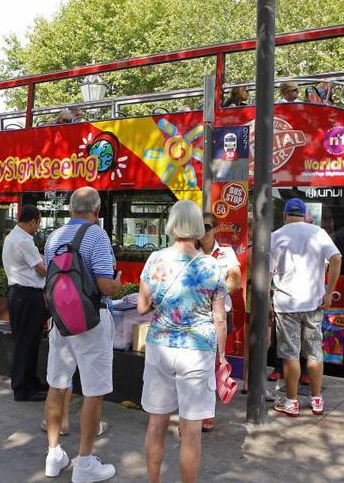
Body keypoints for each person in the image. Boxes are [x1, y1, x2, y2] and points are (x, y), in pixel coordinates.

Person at [137, 200, 227, 483]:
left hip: (160, 348)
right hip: (198, 351)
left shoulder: (155, 260)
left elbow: (141, 307)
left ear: (172, 225)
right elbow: (220, 318)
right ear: (199, 228)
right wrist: (222, 357)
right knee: (191, 430)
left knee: (156, 424)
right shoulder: (212, 265)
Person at [43, 186, 121, 482]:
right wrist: (117, 282)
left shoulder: (53, 237)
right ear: (97, 211)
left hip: (61, 322)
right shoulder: (97, 235)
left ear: (71, 209)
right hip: (91, 321)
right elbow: (104, 285)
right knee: (93, 391)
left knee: (57, 384)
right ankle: (85, 462)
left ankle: (54, 455)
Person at [270, 198, 341, 417]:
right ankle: (317, 400)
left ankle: (292, 402)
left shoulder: (276, 236)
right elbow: (336, 258)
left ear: (284, 216)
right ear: (304, 215)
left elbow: (268, 272)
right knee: (314, 352)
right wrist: (329, 292)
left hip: (286, 305)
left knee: (291, 354)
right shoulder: (318, 232)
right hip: (314, 304)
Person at [196, 213, 240, 433]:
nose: (202, 231)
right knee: (196, 364)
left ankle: (206, 414)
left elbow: (235, 279)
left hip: (219, 315)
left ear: (214, 229)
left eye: (206, 227)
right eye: (199, 226)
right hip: (195, 316)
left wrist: (214, 296)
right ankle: (194, 411)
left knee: (214, 363)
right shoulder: (189, 252)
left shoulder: (226, 253)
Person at [3, 205, 49, 402]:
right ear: (32, 221)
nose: (37, 227)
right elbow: (42, 270)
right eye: (38, 223)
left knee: (29, 342)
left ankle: (31, 382)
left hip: (20, 295)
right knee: (26, 343)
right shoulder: (23, 241)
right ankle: (22, 389)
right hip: (27, 296)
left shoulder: (13, 237)